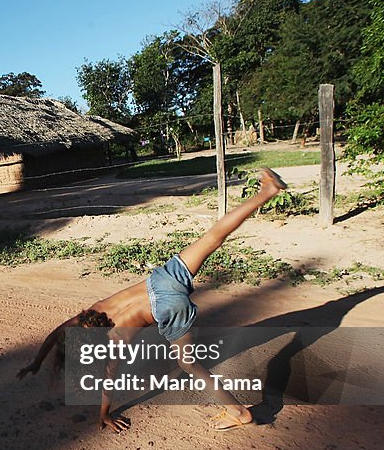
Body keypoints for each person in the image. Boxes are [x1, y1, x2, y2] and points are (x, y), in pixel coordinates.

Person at [18, 168, 289, 432]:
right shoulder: (91, 312)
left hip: (167, 307)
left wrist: (103, 413)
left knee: (189, 364)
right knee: (213, 237)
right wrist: (36, 361)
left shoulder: (115, 338)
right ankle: (267, 191)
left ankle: (239, 413)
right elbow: (55, 334)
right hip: (161, 279)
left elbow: (108, 381)